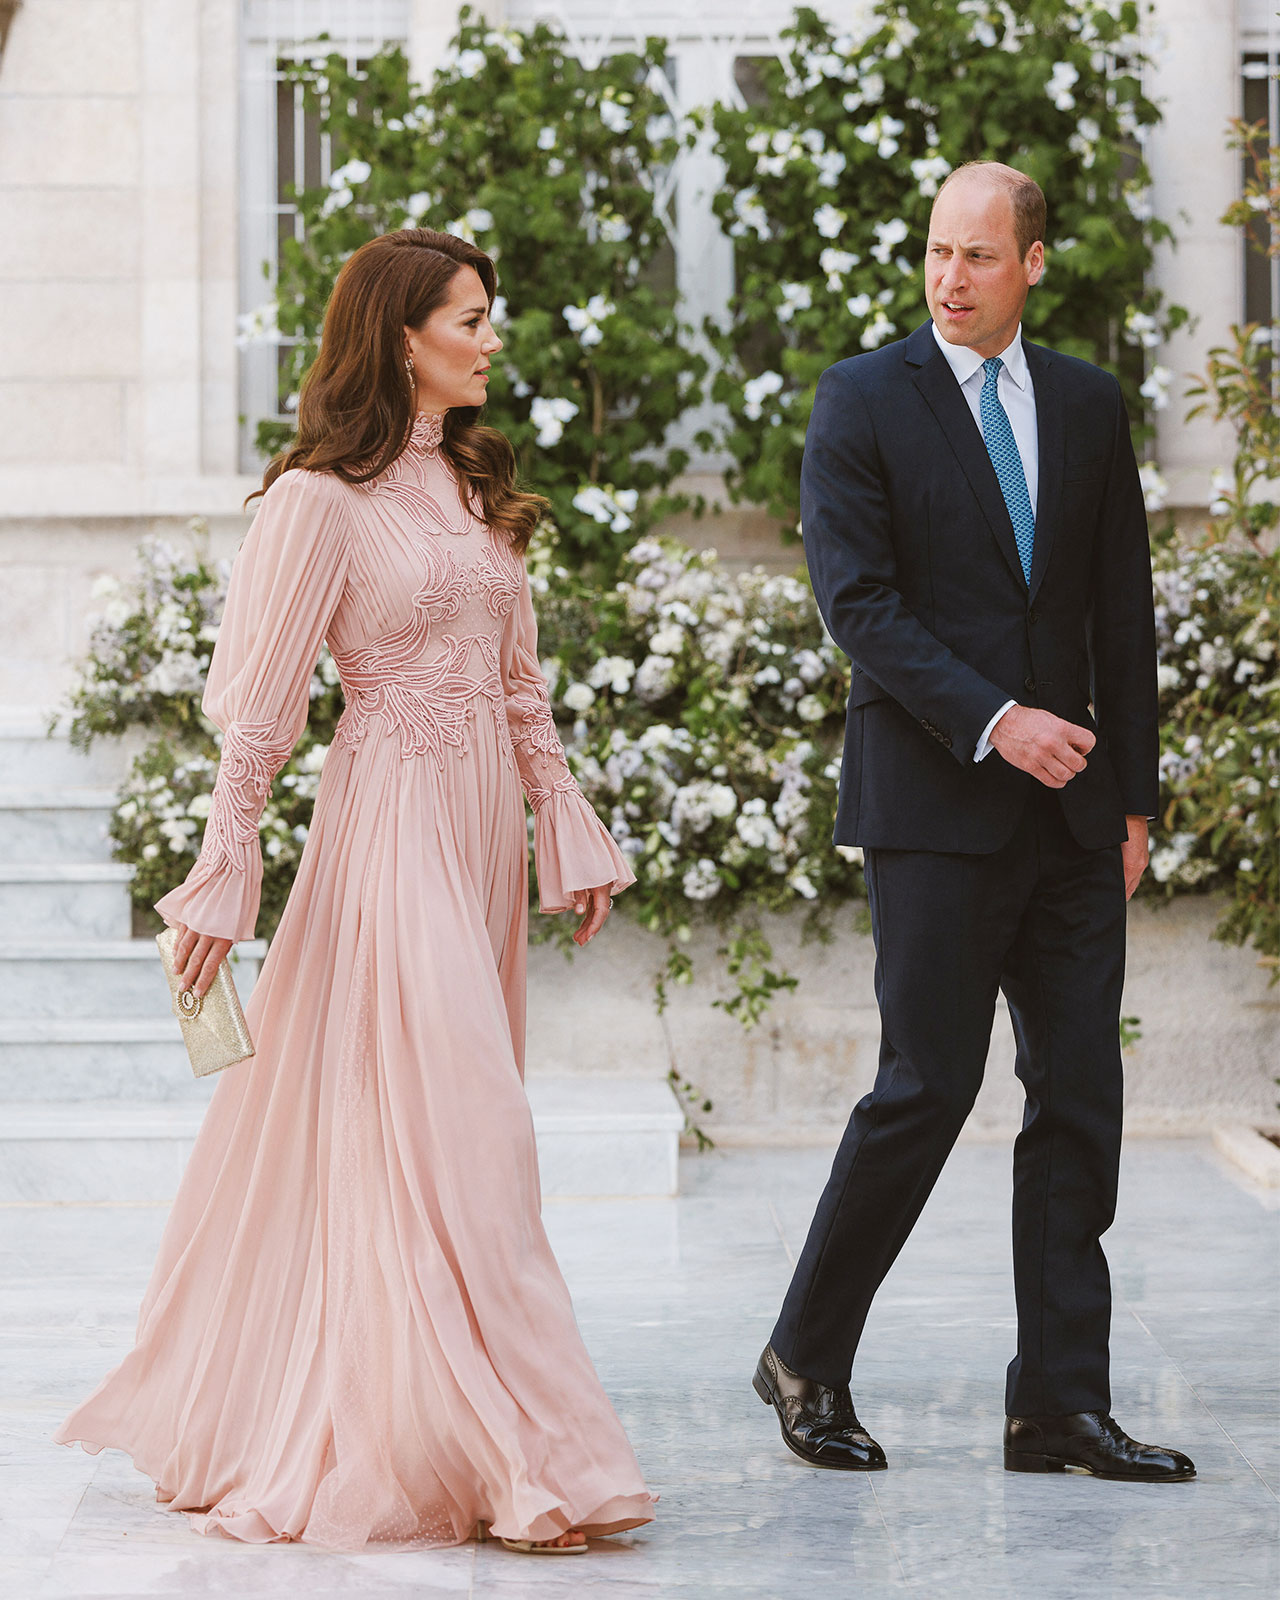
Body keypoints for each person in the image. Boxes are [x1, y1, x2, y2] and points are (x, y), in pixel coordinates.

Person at [54, 228, 656, 1552]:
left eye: (491, 317)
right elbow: (259, 715)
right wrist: (224, 874)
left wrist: (564, 824)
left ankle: (465, 1432)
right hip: (385, 832)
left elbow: (516, 683)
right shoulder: (318, 501)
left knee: (448, 1142)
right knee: (471, 1135)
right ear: (402, 337)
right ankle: (508, 1452)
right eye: (471, 317)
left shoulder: (472, 489)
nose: (493, 338)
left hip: (476, 835)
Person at [753, 163, 1195, 1484]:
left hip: (1073, 822)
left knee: (1079, 1102)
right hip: (935, 805)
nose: (951, 279)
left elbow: (1122, 611)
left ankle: (1057, 1404)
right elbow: (861, 606)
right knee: (925, 1088)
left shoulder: (1088, 404)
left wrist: (1134, 799)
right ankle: (806, 1359)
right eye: (939, 254)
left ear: (1035, 263)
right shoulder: (861, 400)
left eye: (981, 257)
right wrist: (999, 718)